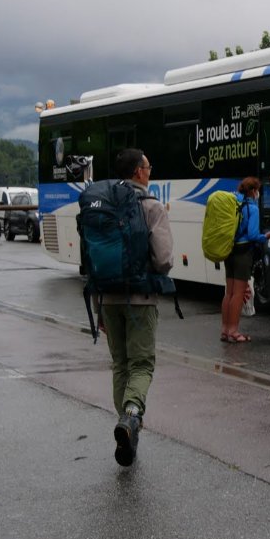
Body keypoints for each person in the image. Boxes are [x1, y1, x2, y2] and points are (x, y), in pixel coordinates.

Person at [101, 148, 174, 466]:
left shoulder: (102, 205)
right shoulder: (152, 206)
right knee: (142, 364)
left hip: (107, 298)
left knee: (120, 364)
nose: (150, 170)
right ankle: (131, 416)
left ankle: (127, 435)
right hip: (140, 299)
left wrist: (97, 301)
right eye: (148, 166)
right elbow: (163, 259)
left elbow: (92, 261)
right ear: (138, 173)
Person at [221, 177, 270, 343]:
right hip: (243, 253)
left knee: (229, 293)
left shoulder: (234, 203)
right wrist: (266, 236)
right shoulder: (252, 208)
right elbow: (252, 235)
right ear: (254, 191)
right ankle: (234, 331)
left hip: (229, 250)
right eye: (258, 191)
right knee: (239, 293)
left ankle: (225, 330)